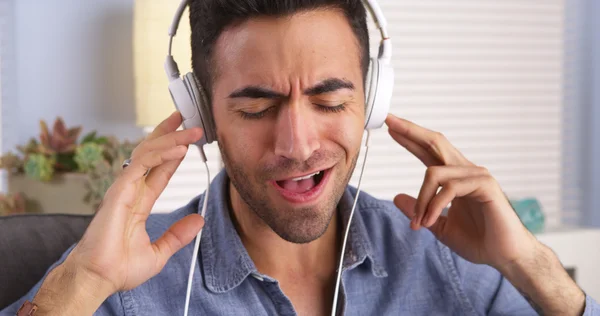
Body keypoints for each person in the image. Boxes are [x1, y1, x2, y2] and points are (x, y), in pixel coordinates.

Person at [2, 0, 599, 315]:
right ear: (202, 119)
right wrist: (81, 283)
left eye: (329, 100)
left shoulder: (446, 258)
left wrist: (530, 264)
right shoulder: (133, 289)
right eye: (257, 109)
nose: (298, 145)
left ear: (370, 100)